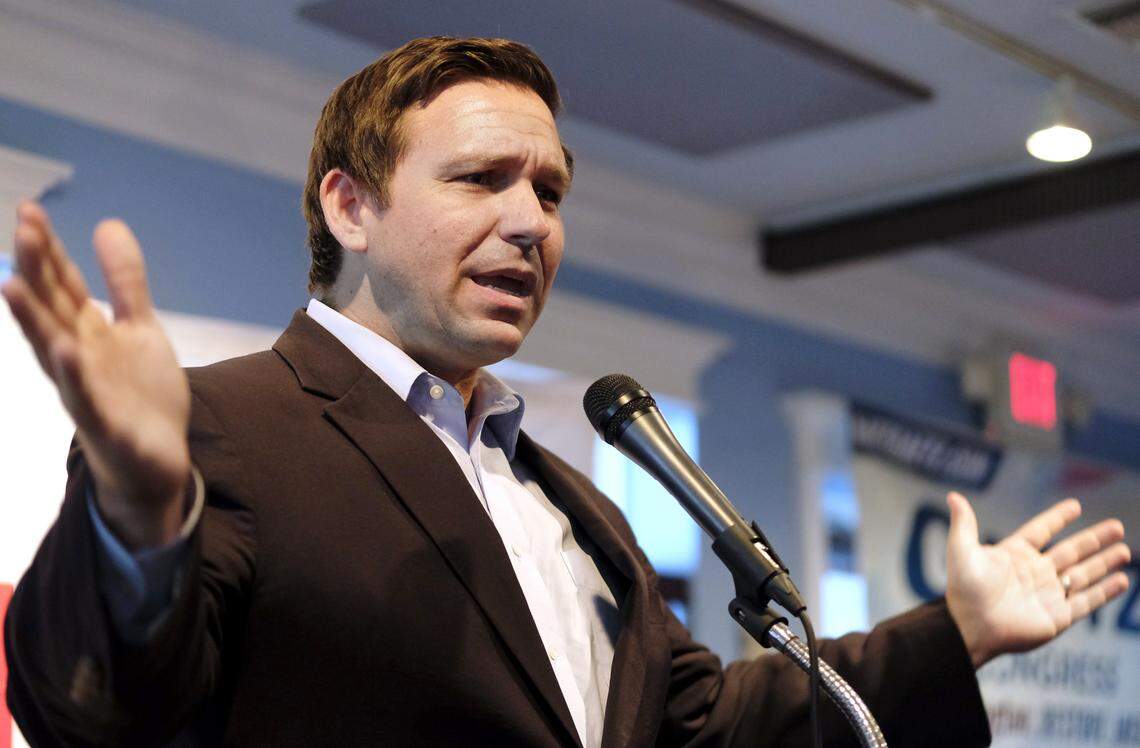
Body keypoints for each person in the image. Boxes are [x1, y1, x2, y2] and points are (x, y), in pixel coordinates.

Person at [2, 36, 1131, 747]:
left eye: (550, 188)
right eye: (482, 178)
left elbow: (703, 721)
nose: (531, 219)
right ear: (349, 207)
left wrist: (959, 631)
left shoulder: (569, 497)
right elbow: (91, 712)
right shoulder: (226, 424)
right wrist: (141, 513)